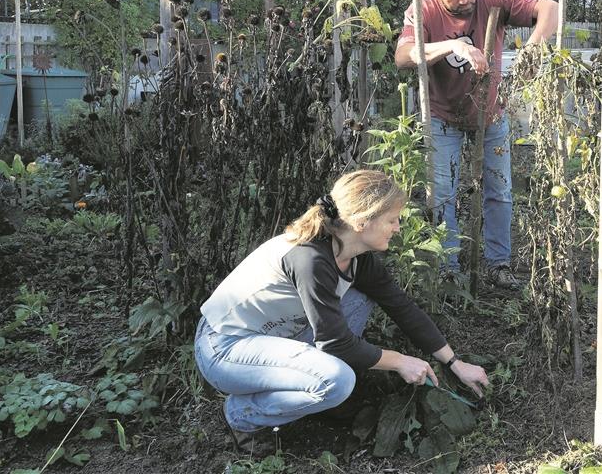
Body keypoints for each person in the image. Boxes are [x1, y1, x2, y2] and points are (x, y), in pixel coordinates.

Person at [193, 170, 490, 453]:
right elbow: (335, 343)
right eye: (392, 220)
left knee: (360, 298)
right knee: (337, 380)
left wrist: (454, 363)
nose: (398, 227)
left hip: (273, 335)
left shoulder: (354, 256)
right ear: (363, 222)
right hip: (224, 348)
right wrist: (399, 361)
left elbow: (401, 307)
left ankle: (311, 391)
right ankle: (244, 415)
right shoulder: (310, 259)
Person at [394, 0, 559, 290]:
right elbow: (404, 55)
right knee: (442, 194)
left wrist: (532, 48)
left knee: (499, 191)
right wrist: (453, 45)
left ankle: (499, 265)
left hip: (492, 114)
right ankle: (448, 270)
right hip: (442, 117)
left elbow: (549, 8)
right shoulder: (422, 8)